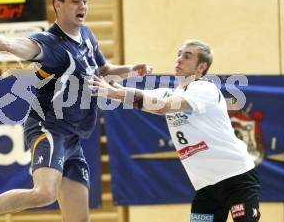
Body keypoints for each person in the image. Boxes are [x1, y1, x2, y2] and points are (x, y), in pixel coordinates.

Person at [0, 0, 152, 222]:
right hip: (49, 128)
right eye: (75, 1)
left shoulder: (87, 36)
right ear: (58, 5)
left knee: (79, 219)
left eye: (85, 1)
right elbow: (5, 45)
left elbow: (101, 70)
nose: (82, 6)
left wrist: (130, 69)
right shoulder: (48, 43)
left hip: (73, 137)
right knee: (44, 193)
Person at [89, 39, 261, 222]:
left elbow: (162, 106)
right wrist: (106, 74)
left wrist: (112, 92)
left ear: (201, 67)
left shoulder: (205, 88)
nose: (179, 59)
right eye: (179, 54)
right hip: (206, 187)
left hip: (237, 177)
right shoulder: (168, 92)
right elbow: (124, 92)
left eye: (187, 56)